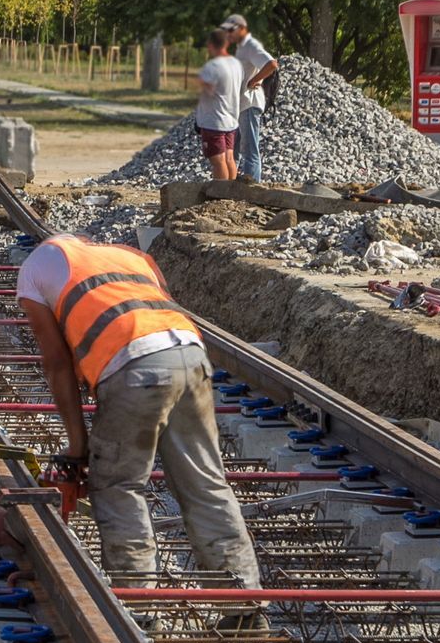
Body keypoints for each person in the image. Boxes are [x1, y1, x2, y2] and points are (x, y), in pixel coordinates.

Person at [16, 233, 260, 594]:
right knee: (204, 482)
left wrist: (78, 444)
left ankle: (139, 603)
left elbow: (56, 363)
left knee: (118, 484)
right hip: (191, 354)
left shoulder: (34, 268)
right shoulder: (127, 255)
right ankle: (243, 604)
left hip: (135, 365)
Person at [221, 14, 278, 182]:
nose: (228, 34)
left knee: (250, 150)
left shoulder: (250, 46)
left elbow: (272, 64)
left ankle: (251, 188)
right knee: (234, 149)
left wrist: (254, 80)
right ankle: (231, 186)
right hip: (241, 105)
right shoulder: (241, 49)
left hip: (249, 104)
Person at [196, 29, 243, 182]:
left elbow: (204, 90)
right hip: (231, 119)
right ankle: (231, 195)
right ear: (227, 43)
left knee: (218, 162)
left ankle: (220, 195)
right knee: (230, 158)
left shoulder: (213, 67)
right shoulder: (236, 64)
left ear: (210, 45)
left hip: (214, 120)